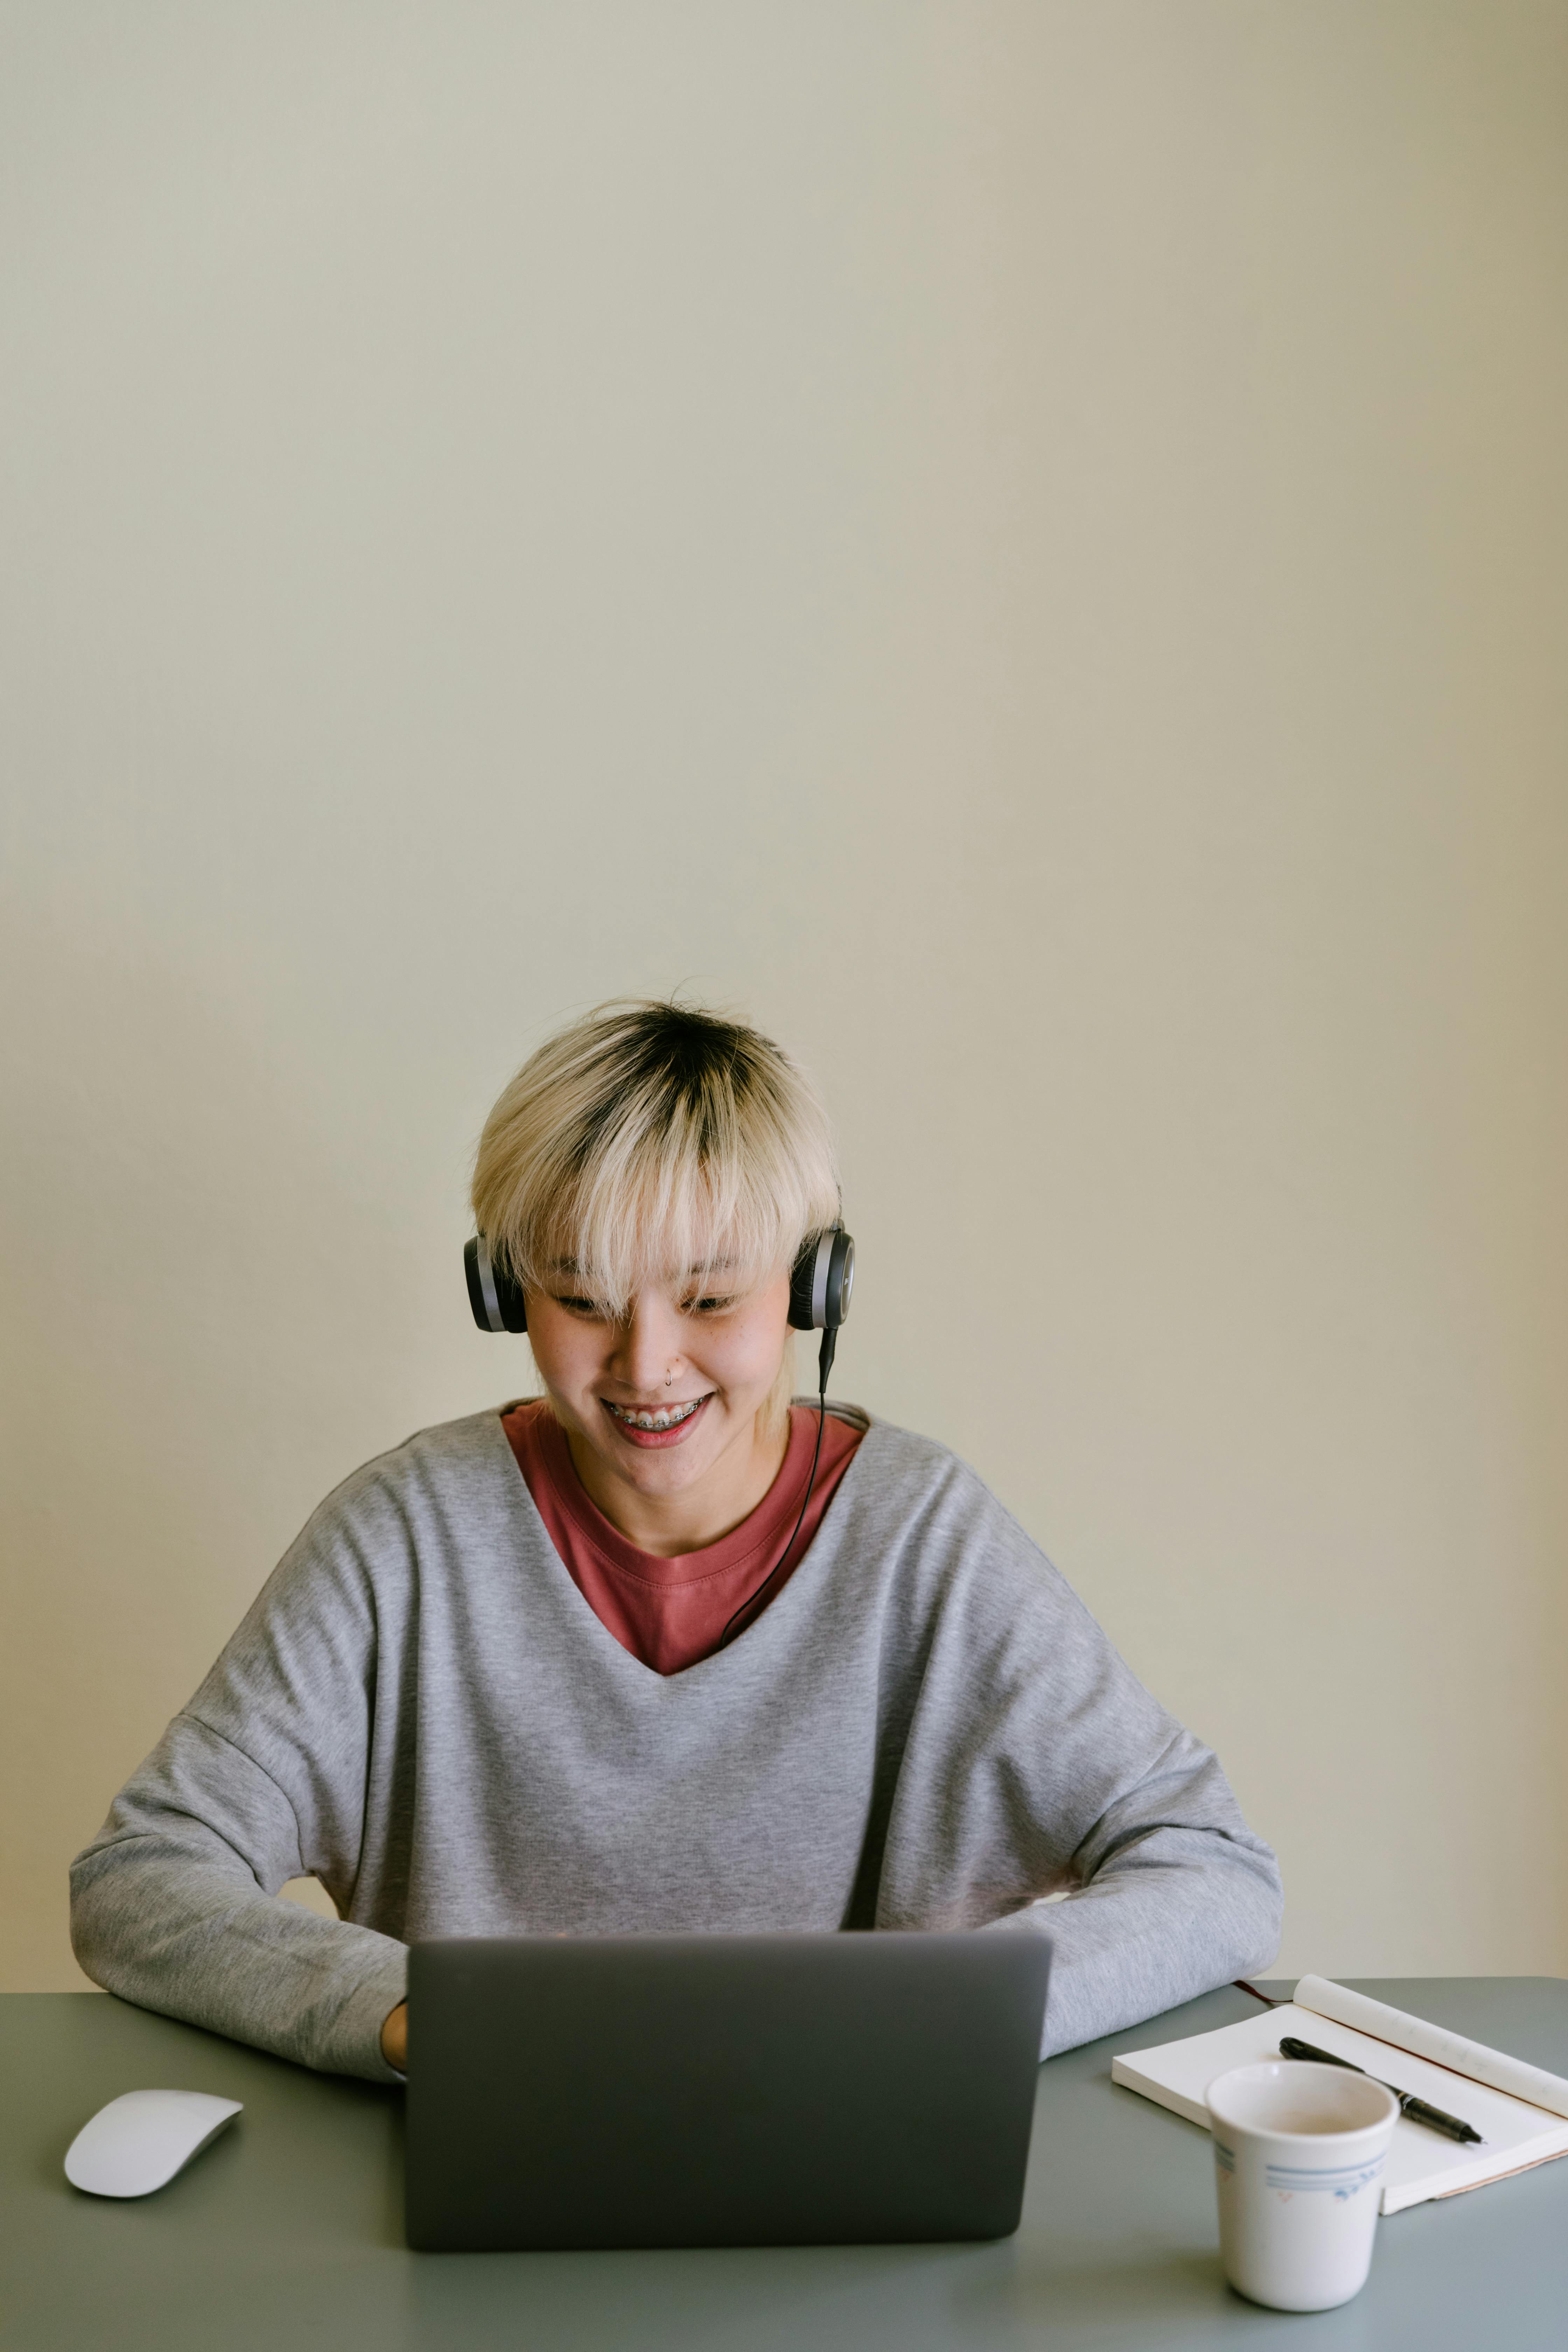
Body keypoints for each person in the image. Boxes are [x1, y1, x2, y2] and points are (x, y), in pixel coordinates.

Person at [71, 1000, 1282, 2081]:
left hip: (853, 2191)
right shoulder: (406, 1537)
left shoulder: (923, 1540)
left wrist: (948, 2025)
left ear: (814, 1288)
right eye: (583, 1299)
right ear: (505, 1296)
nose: (647, 1366)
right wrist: (402, 2016)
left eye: (709, 1299)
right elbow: (140, 1881)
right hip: (488, 2186)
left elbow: (1214, 1872)